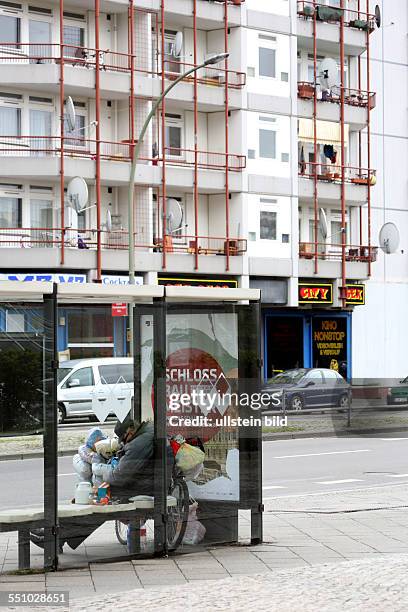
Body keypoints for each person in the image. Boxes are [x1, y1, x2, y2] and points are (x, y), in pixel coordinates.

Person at [30, 416, 174, 551]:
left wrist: (102, 470)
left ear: (130, 431)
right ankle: (58, 535)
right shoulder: (147, 433)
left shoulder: (139, 443)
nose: (124, 443)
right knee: (96, 498)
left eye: (124, 439)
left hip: (144, 487)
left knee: (97, 500)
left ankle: (56, 536)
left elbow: (119, 476)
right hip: (148, 483)